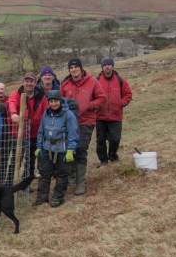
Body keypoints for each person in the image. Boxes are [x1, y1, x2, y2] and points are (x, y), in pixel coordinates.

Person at [59, 58, 107, 196]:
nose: (74, 70)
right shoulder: (65, 84)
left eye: (76, 67)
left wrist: (89, 106)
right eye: (71, 67)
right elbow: (60, 101)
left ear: (81, 68)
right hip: (69, 123)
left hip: (86, 121)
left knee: (80, 149)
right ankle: (71, 178)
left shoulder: (92, 81)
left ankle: (80, 183)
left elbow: (102, 98)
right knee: (70, 149)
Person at [35, 90, 79, 207]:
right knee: (44, 173)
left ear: (60, 101)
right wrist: (39, 146)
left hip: (62, 150)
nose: (54, 104)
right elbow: (41, 131)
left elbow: (73, 134)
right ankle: (42, 197)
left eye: (56, 101)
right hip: (47, 149)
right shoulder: (46, 114)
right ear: (48, 102)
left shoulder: (68, 115)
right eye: (51, 101)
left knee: (61, 174)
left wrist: (70, 150)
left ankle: (58, 197)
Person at [8, 72, 49, 178]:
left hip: (35, 134)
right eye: (27, 81)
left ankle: (26, 183)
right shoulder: (16, 93)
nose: (29, 83)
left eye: (31, 81)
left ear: (35, 83)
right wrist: (13, 114)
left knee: (30, 160)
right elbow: (12, 102)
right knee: (16, 159)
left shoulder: (41, 95)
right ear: (23, 82)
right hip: (19, 133)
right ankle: (8, 184)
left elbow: (46, 111)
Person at [95, 57, 133, 165]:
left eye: (109, 64)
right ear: (102, 67)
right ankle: (103, 161)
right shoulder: (96, 80)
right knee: (100, 140)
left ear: (112, 66)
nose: (107, 67)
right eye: (104, 65)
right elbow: (91, 96)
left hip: (115, 116)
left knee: (115, 139)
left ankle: (112, 155)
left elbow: (128, 94)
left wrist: (121, 103)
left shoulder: (120, 80)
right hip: (100, 117)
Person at [0, 83, 15, 186]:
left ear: (5, 90)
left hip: (6, 135)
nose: (0, 91)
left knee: (4, 159)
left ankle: (2, 182)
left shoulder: (9, 101)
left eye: (2, 89)